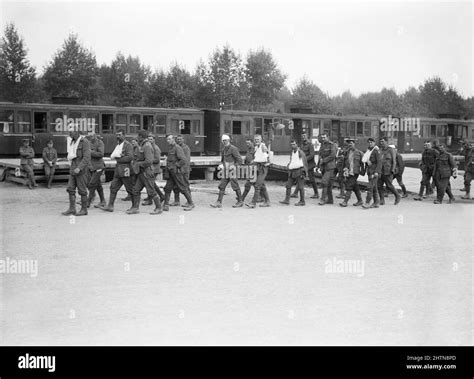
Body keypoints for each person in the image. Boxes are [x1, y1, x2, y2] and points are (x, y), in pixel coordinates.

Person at [127, 130, 163, 215]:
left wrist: (138, 164)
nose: (137, 138)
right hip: (142, 172)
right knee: (135, 190)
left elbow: (149, 161)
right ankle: (135, 208)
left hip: (147, 172)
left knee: (151, 191)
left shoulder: (146, 146)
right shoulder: (142, 145)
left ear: (141, 137)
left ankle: (159, 208)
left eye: (138, 136)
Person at [100, 129, 135, 212]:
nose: (118, 136)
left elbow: (130, 157)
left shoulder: (128, 145)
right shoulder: (119, 145)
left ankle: (134, 207)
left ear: (124, 135)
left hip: (125, 169)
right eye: (117, 135)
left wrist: (118, 159)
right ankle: (110, 206)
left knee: (130, 189)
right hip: (118, 170)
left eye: (119, 135)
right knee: (113, 187)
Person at [62, 130, 91, 216]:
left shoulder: (84, 142)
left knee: (82, 190)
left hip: (81, 170)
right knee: (70, 189)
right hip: (73, 169)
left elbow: (87, 157)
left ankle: (84, 209)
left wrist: (79, 167)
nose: (69, 133)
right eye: (69, 132)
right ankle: (72, 209)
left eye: (71, 132)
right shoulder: (72, 142)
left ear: (77, 132)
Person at [163, 135, 195, 211]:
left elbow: (183, 160)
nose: (168, 141)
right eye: (167, 139)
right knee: (167, 188)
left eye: (169, 139)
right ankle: (165, 204)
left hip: (177, 172)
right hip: (171, 172)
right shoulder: (171, 148)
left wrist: (176, 166)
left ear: (173, 139)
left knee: (183, 188)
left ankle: (191, 203)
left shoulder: (177, 148)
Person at [210, 134, 243, 208]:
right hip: (226, 171)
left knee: (235, 186)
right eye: (223, 140)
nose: (224, 142)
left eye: (225, 140)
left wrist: (234, 166)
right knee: (222, 186)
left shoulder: (234, 149)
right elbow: (222, 160)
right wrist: (221, 165)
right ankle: (219, 202)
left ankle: (240, 201)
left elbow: (239, 160)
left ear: (229, 140)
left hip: (232, 170)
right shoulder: (223, 149)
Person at [280, 140, 308, 206]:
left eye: (294, 144)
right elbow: (292, 161)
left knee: (300, 187)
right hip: (292, 171)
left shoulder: (300, 152)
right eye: (291, 144)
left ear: (297, 145)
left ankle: (302, 201)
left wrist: (304, 172)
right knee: (288, 185)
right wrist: (288, 165)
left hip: (299, 171)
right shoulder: (292, 152)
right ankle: (287, 200)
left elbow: (304, 163)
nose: (292, 146)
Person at [291, 132, 319, 199]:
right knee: (301, 178)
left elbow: (312, 155)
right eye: (302, 136)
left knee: (312, 179)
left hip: (309, 165)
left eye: (304, 135)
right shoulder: (302, 144)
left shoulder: (310, 145)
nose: (303, 137)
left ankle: (316, 193)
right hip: (303, 165)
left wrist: (304, 159)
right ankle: (295, 193)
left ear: (307, 136)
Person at [246, 134, 270, 208]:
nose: (256, 141)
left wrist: (255, 160)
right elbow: (258, 157)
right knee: (262, 185)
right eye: (255, 139)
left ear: (261, 140)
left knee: (257, 185)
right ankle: (267, 201)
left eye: (258, 139)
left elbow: (266, 157)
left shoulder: (263, 146)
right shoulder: (256, 147)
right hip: (258, 167)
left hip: (263, 168)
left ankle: (253, 203)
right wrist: (254, 161)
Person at [142, 134, 165, 206]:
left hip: (154, 169)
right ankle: (161, 195)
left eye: (151, 139)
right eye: (148, 139)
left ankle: (150, 199)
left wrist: (148, 160)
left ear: (154, 140)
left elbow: (157, 160)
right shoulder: (149, 147)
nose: (149, 140)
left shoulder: (156, 148)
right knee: (152, 184)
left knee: (149, 184)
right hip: (151, 168)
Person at [340, 138, 364, 207]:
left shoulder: (359, 153)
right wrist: (344, 169)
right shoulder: (347, 152)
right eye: (349, 143)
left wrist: (363, 171)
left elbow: (363, 163)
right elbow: (344, 162)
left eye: (351, 143)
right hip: (348, 172)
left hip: (355, 172)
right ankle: (360, 200)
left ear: (354, 144)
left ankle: (345, 202)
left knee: (349, 186)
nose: (350, 145)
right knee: (355, 186)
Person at [377, 137, 401, 205]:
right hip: (381, 171)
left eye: (382, 141)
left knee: (389, 186)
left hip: (388, 171)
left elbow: (394, 161)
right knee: (379, 185)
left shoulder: (391, 150)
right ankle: (382, 200)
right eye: (380, 141)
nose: (381, 143)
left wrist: (392, 170)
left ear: (386, 142)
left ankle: (397, 196)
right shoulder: (380, 150)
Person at [86, 132, 106, 208]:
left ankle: (88, 202)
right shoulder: (88, 143)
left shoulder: (100, 143)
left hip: (99, 167)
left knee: (92, 184)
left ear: (95, 135)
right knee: (98, 185)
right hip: (92, 167)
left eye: (92, 136)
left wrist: (90, 152)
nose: (90, 137)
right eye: (89, 136)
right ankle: (102, 201)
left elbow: (101, 154)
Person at [316, 133, 337, 205]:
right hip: (323, 167)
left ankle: (323, 199)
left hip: (330, 167)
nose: (323, 139)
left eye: (324, 137)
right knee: (328, 184)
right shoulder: (322, 145)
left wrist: (324, 161)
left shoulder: (332, 145)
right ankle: (330, 200)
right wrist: (318, 165)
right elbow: (320, 155)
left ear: (328, 137)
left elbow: (332, 155)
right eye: (322, 137)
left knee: (324, 182)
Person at [361, 138, 382, 209]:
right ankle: (376, 203)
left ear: (374, 143)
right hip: (370, 172)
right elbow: (366, 160)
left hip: (374, 173)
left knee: (370, 187)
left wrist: (376, 172)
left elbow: (379, 163)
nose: (370, 144)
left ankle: (367, 202)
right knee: (374, 188)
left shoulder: (376, 151)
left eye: (371, 142)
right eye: (369, 142)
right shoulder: (369, 151)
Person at [172, 134, 191, 207]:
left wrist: (181, 168)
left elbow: (186, 160)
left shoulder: (186, 148)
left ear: (183, 140)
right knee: (176, 185)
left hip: (184, 170)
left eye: (180, 139)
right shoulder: (176, 147)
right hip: (177, 170)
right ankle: (176, 201)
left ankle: (189, 201)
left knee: (185, 185)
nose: (178, 140)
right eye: (178, 139)